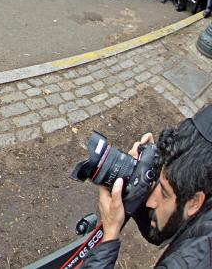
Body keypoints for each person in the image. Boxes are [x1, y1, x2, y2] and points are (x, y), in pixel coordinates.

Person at [87, 102, 212, 268]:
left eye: (165, 193)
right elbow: (165, 229)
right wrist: (143, 184)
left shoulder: (187, 263)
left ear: (195, 201)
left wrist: (108, 238)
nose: (150, 202)